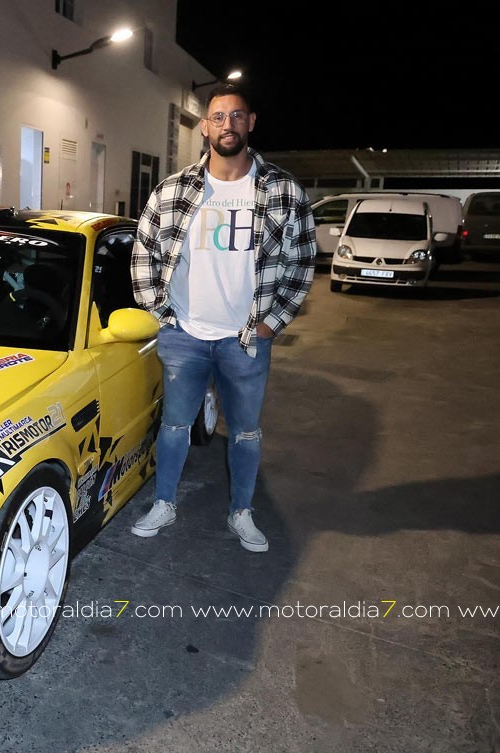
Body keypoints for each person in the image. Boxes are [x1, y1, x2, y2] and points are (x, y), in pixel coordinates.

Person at [128, 83, 316, 553]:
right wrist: (162, 312)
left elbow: (303, 260)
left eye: (236, 116)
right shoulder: (174, 189)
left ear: (250, 123)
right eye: (217, 117)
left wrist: (275, 321)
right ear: (206, 126)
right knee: (174, 426)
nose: (226, 125)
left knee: (247, 431)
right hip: (185, 334)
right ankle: (165, 502)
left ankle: (242, 512)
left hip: (247, 338)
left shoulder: (282, 190)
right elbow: (143, 253)